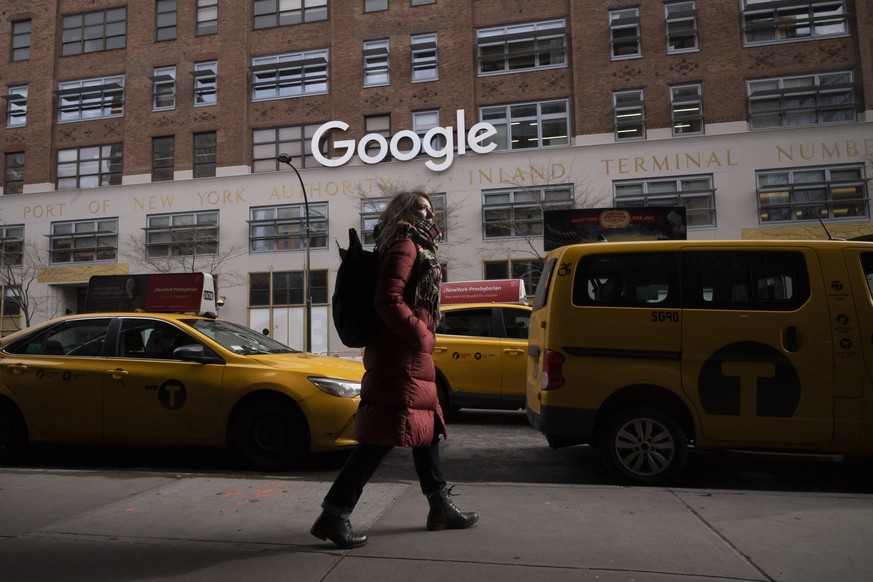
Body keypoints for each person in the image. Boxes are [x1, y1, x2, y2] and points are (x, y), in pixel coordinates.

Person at [311, 191, 478, 549]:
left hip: (406, 352)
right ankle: (334, 514)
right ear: (402, 210)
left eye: (431, 208)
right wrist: (421, 336)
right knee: (380, 438)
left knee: (426, 427)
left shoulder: (411, 244)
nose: (428, 212)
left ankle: (439, 505)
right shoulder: (404, 244)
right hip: (400, 352)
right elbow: (388, 299)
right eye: (420, 206)